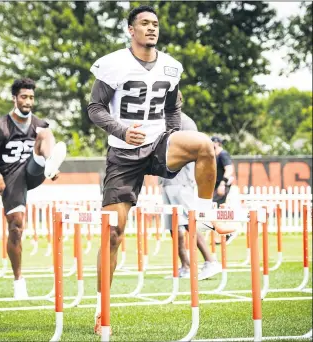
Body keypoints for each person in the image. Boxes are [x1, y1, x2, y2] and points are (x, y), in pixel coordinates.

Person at [87, 5, 223, 334]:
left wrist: (172, 134)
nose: (151, 28)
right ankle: (100, 306)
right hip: (123, 154)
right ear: (130, 30)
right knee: (114, 233)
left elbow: (173, 105)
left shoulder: (170, 66)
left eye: (155, 24)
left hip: (158, 142)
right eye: (145, 23)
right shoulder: (114, 64)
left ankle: (204, 213)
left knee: (204, 145)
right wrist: (121, 130)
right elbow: (95, 107)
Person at [0, 77, 67, 300]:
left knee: (45, 132)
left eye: (31, 97)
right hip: (11, 177)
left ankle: (50, 163)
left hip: (34, 168)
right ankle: (18, 280)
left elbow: (44, 134)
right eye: (24, 97)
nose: (28, 101)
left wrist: (48, 162)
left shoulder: (39, 124)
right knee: (16, 226)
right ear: (14, 98)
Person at [159, 99, 221, 280]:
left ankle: (210, 261)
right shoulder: (161, 120)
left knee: (189, 222)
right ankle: (185, 266)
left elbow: (197, 152)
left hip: (182, 181)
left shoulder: (186, 123)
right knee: (172, 226)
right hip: (166, 180)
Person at [211, 136, 236, 244]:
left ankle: (229, 232)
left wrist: (222, 184)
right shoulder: (215, 155)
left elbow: (229, 169)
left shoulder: (223, 154)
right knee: (217, 209)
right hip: (217, 186)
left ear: (217, 143)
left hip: (222, 185)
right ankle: (223, 234)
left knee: (214, 208)